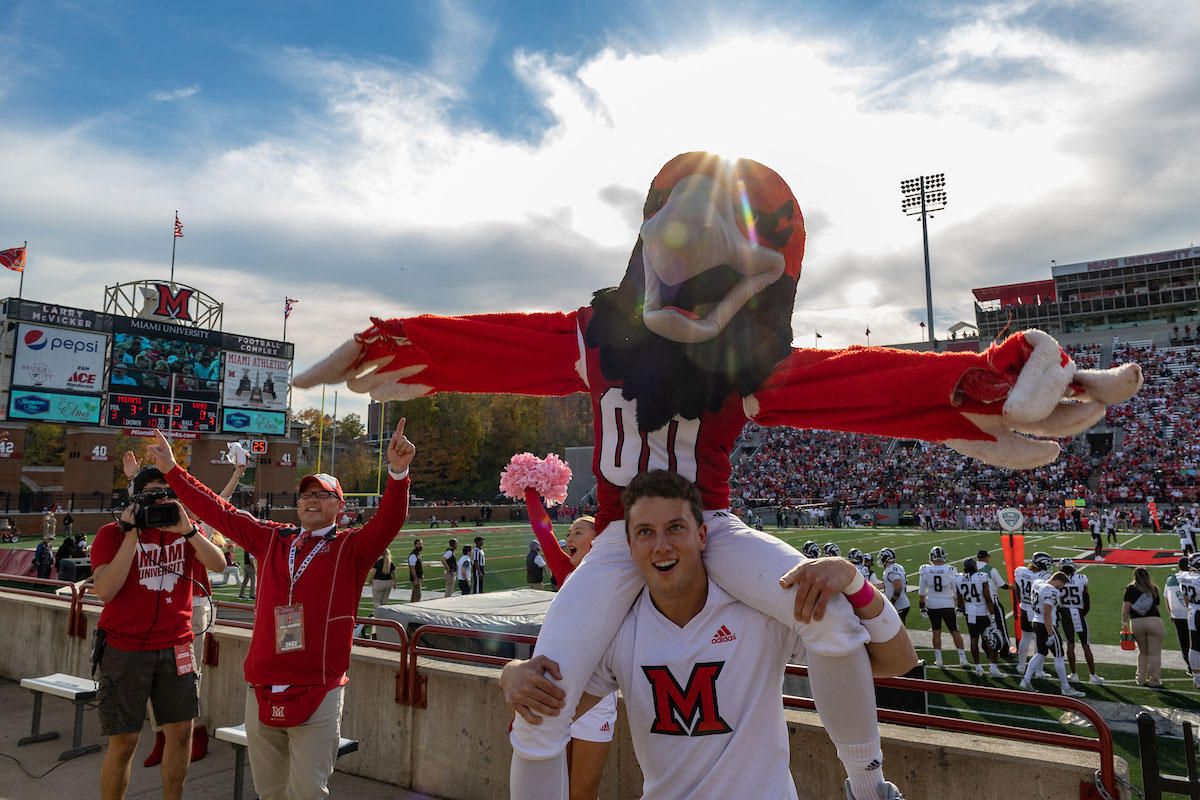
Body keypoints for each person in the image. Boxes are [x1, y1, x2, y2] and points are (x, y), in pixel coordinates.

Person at [503, 471, 912, 800]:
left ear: (702, 535)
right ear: (628, 547)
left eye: (675, 528)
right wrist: (513, 676)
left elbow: (896, 661)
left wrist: (855, 583)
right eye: (645, 532)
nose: (661, 546)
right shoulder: (622, 632)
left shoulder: (758, 614)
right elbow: (548, 716)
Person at [146, 419, 416, 800]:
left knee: (307, 793)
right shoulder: (274, 538)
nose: (311, 500)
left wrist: (398, 473)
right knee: (269, 793)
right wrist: (172, 471)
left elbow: (390, 520)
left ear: (340, 508)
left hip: (318, 688)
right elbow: (219, 510)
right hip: (262, 688)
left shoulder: (350, 549)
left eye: (322, 496)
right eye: (306, 494)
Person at [91, 463, 228, 800]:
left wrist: (189, 531)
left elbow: (219, 564)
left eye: (167, 494)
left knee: (181, 732)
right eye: (151, 494)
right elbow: (105, 591)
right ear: (135, 498)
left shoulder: (185, 532)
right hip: (125, 647)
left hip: (177, 645)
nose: (160, 501)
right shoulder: (111, 534)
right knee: (125, 741)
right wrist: (131, 535)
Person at [1019, 571, 1086, 697]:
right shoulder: (1052, 591)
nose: (1061, 588)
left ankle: (1026, 680)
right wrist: (1050, 633)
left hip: (1036, 621)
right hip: (1046, 625)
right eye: (1062, 585)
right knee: (1059, 655)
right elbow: (1047, 614)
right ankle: (1065, 687)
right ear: (1059, 581)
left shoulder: (1038, 583)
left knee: (1041, 653)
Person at [918, 546, 967, 669]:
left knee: (936, 632)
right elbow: (956, 592)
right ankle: (963, 658)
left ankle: (939, 660)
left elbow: (922, 591)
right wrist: (960, 606)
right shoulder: (950, 570)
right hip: (947, 604)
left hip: (933, 604)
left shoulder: (925, 570)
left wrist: (922, 606)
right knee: (955, 631)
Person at [1057, 559, 1104, 685]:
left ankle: (1073, 674)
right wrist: (1084, 611)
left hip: (1066, 613)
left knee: (1070, 644)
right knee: (1085, 645)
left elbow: (1055, 597)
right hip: (1078, 612)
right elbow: (1086, 595)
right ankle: (1093, 675)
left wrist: (1060, 610)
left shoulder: (1058, 580)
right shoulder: (1081, 578)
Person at [957, 558, 1003, 678]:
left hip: (969, 612)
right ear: (975, 566)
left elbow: (959, 599)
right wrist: (992, 616)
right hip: (982, 612)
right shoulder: (981, 576)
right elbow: (987, 598)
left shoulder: (958, 578)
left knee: (974, 639)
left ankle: (978, 667)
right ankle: (993, 668)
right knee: (990, 638)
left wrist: (963, 611)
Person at [1122, 566, 1166, 688]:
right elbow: (1157, 608)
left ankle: (1140, 679)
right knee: (1155, 653)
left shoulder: (1130, 588)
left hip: (1136, 622)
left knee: (1143, 652)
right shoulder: (1154, 588)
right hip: (1154, 621)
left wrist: (1124, 623)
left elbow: (1126, 608)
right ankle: (1155, 680)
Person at [1014, 552, 1053, 675]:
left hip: (1024, 609)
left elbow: (1017, 589)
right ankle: (1038, 670)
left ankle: (1021, 666)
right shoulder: (1044, 576)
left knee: (1025, 638)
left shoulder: (1020, 571)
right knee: (1039, 641)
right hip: (1036, 612)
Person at [976, 549, 1012, 655]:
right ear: (986, 557)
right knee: (1001, 626)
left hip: (978, 604)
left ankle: (987, 647)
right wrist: (1013, 587)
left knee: (984, 628)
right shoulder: (990, 570)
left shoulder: (972, 569)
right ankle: (1005, 649)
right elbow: (1003, 585)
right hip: (992, 601)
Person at [1165, 557, 1192, 673]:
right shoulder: (1193, 577)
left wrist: (1170, 612)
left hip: (1177, 614)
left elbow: (1166, 598)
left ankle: (1190, 667)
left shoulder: (1171, 579)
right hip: (1192, 613)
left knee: (1184, 642)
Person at [1180, 554, 1200, 688]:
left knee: (1195, 646)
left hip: (1192, 611)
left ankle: (1197, 677)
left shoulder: (1183, 577)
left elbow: (1185, 597)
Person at [878, 549, 909, 623]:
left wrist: (892, 601)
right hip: (902, 604)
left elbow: (898, 587)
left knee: (897, 631)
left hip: (898, 606)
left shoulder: (891, 570)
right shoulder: (897, 567)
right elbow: (889, 583)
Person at [371, 548, 397, 617]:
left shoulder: (378, 562)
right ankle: (383, 616)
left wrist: (370, 580)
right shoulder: (391, 563)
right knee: (384, 602)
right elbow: (394, 574)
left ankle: (379, 615)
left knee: (376, 601)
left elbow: (373, 573)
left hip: (379, 582)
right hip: (388, 582)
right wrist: (395, 583)